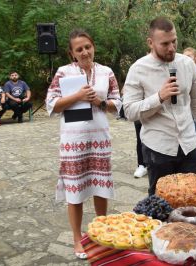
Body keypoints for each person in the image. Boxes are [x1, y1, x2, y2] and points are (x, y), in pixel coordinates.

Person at [46, 29, 122, 259]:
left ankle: (102, 232)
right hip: (74, 140)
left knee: (100, 187)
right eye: (79, 49)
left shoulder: (106, 72)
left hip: (99, 139)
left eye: (87, 47)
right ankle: (77, 239)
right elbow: (52, 104)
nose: (85, 52)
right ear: (72, 53)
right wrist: (77, 96)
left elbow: (117, 103)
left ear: (93, 46)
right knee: (75, 190)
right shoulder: (64, 72)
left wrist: (99, 101)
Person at [123, 17, 196, 195]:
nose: (171, 48)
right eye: (165, 44)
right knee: (161, 206)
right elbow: (129, 111)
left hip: (190, 145)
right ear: (150, 43)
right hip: (158, 148)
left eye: (174, 41)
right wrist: (159, 97)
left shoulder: (187, 64)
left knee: (194, 200)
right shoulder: (138, 69)